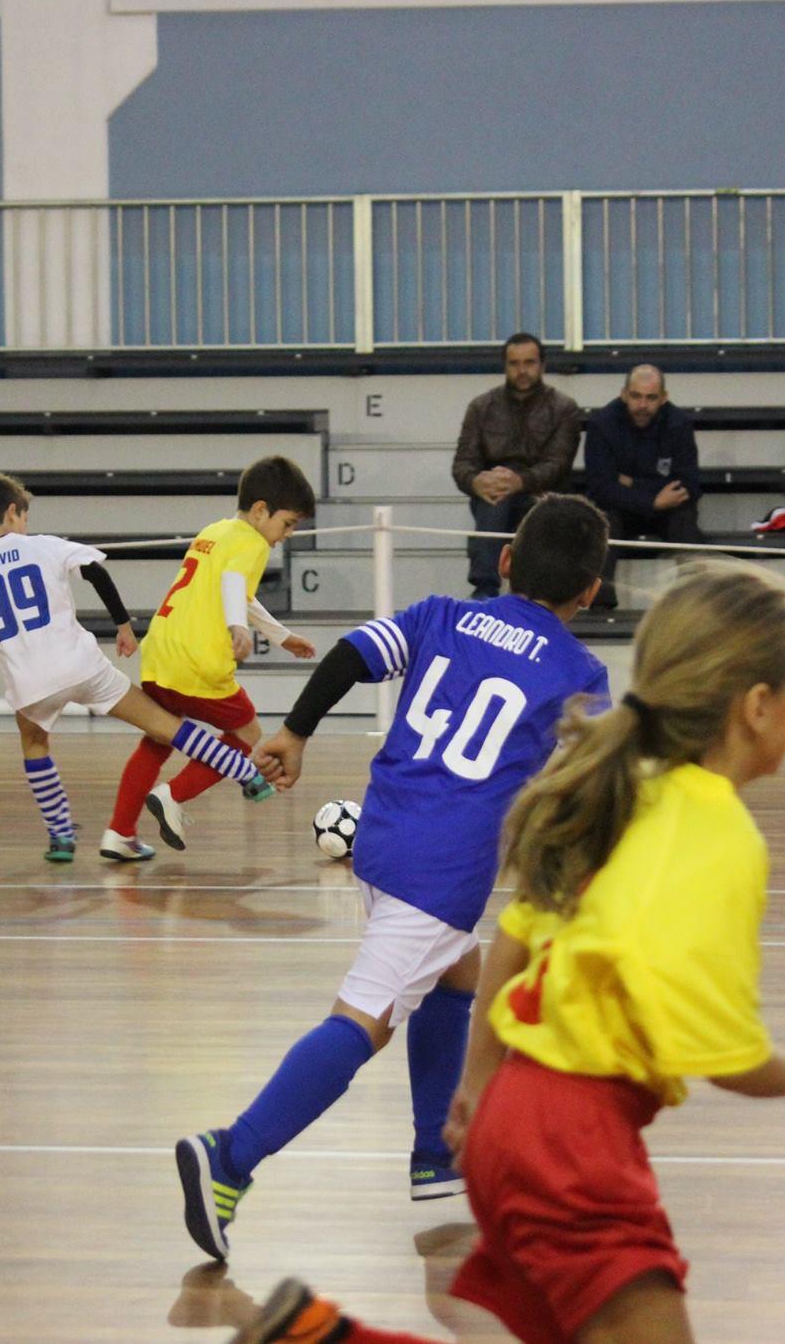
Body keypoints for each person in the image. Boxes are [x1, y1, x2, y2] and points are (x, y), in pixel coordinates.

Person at [227, 560, 785, 1344]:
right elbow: (722, 1054)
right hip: (576, 1145)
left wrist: (478, 1084)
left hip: (509, 1121)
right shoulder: (722, 838)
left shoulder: (616, 784)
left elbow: (514, 938)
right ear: (759, 705)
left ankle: (322, 1335)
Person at [175, 495, 611, 1264]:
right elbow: (592, 783)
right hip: (442, 873)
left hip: (383, 835)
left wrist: (295, 731)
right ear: (590, 592)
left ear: (505, 559)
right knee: (364, 1020)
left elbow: (349, 653)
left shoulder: (441, 612)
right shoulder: (578, 670)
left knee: (456, 974)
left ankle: (436, 1156)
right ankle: (230, 1156)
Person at [0, 475, 279, 862]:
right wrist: (123, 624)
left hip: (30, 683)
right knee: (164, 726)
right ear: (13, 513)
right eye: (24, 516)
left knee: (34, 745)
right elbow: (95, 570)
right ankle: (244, 772)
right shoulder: (42, 546)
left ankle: (61, 837)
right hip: (81, 667)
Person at [102, 455, 317, 862]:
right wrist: (237, 627)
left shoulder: (214, 532)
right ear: (260, 511)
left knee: (157, 740)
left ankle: (119, 832)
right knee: (247, 734)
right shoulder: (253, 542)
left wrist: (282, 636)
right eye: (287, 523)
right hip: (198, 661)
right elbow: (235, 585)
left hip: (160, 653)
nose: (287, 534)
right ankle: (172, 796)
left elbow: (235, 593)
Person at [451, 332, 582, 600]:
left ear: (542, 366)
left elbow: (558, 465)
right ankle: (485, 592)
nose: (522, 371)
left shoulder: (564, 408)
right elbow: (463, 464)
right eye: (514, 363)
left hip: (545, 493)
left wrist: (519, 481)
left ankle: (536, 595)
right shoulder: (480, 407)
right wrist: (477, 481)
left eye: (529, 363)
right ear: (505, 367)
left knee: (514, 500)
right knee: (493, 498)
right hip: (495, 493)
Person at [580, 365, 701, 612]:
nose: (642, 405)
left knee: (685, 523)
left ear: (664, 398)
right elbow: (600, 486)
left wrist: (630, 482)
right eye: (636, 396)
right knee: (602, 521)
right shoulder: (602, 424)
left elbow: (688, 484)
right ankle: (600, 607)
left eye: (651, 397)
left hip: (668, 511)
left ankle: (693, 606)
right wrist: (651, 500)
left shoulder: (679, 424)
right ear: (624, 394)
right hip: (620, 510)